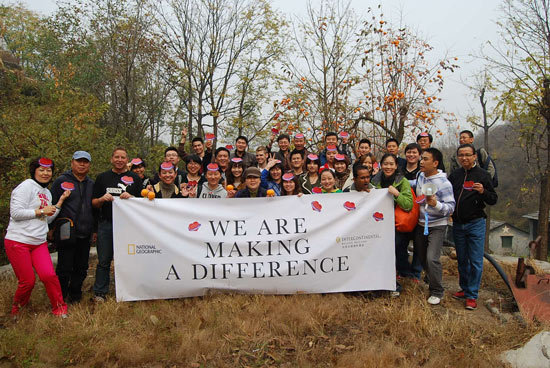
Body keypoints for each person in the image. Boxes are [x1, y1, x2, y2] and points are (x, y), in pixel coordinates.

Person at [5, 157, 70, 318]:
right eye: (41, 170)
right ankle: (18, 310)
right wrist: (40, 211)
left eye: (48, 170)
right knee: (27, 281)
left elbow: (47, 219)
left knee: (49, 276)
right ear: (34, 171)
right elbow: (16, 213)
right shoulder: (25, 187)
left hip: (39, 242)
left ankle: (60, 308)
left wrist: (60, 202)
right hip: (18, 241)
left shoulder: (46, 192)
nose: (45, 173)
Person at [448, 143, 498, 310]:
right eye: (461, 155)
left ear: (475, 156)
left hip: (476, 222)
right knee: (462, 259)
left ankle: (472, 295)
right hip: (457, 223)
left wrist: (483, 191)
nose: (464, 158)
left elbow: (493, 199)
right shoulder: (455, 175)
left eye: (468, 155)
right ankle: (464, 288)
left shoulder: (483, 175)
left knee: (475, 260)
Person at [92, 147, 142, 302]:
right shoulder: (102, 178)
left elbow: (142, 204)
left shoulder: (135, 178)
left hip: (128, 227)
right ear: (111, 159)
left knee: (130, 260)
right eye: (117, 157)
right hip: (107, 224)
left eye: (123, 157)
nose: (120, 160)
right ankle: (100, 293)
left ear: (127, 160)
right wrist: (101, 199)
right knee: (104, 260)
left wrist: (132, 197)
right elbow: (93, 203)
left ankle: (130, 292)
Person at [51, 151, 95, 304]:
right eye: (79, 161)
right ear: (72, 163)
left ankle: (75, 295)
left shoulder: (91, 184)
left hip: (85, 231)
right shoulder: (60, 181)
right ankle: (60, 297)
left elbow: (95, 209)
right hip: (66, 231)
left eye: (85, 162)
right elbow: (52, 205)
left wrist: (94, 229)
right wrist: (50, 228)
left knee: (81, 267)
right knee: (64, 267)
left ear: (89, 165)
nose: (82, 164)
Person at [414, 148, 455, 305]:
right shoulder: (420, 176)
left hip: (437, 226)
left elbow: (450, 208)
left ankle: (437, 291)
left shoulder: (444, 184)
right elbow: (414, 185)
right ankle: (431, 278)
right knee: (423, 257)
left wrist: (435, 204)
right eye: (421, 159)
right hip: (420, 224)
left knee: (432, 258)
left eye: (425, 159)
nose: (421, 162)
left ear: (435, 163)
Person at [371, 153, 413, 296]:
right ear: (381, 165)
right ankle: (379, 283)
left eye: (391, 164)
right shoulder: (374, 181)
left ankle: (393, 285)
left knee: (391, 254)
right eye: (385, 164)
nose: (388, 167)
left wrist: (396, 194)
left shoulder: (402, 181)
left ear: (396, 166)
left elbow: (408, 205)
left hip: (395, 225)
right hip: (378, 225)